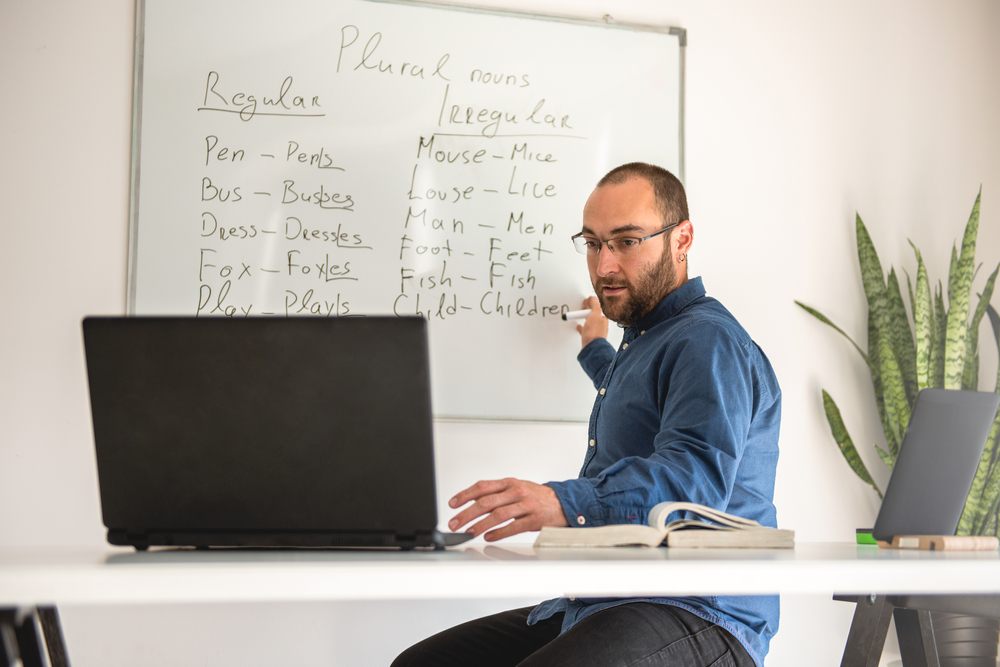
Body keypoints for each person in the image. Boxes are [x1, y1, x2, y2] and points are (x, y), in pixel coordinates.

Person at [392, 162, 781, 667]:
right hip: (608, 598)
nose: (604, 268)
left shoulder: (707, 341)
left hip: (701, 611)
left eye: (626, 242)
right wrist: (595, 347)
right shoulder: (646, 341)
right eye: (594, 244)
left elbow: (693, 480)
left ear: (681, 239)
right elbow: (633, 397)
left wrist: (561, 501)